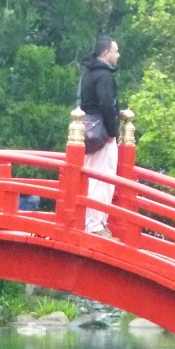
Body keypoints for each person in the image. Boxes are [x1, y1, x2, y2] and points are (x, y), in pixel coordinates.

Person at [78, 36, 120, 238]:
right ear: (106, 52)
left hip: (87, 130)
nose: (118, 55)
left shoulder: (88, 72)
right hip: (101, 132)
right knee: (102, 178)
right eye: (115, 51)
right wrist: (112, 132)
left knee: (91, 176)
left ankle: (90, 223)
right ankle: (95, 225)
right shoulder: (104, 75)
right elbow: (106, 104)